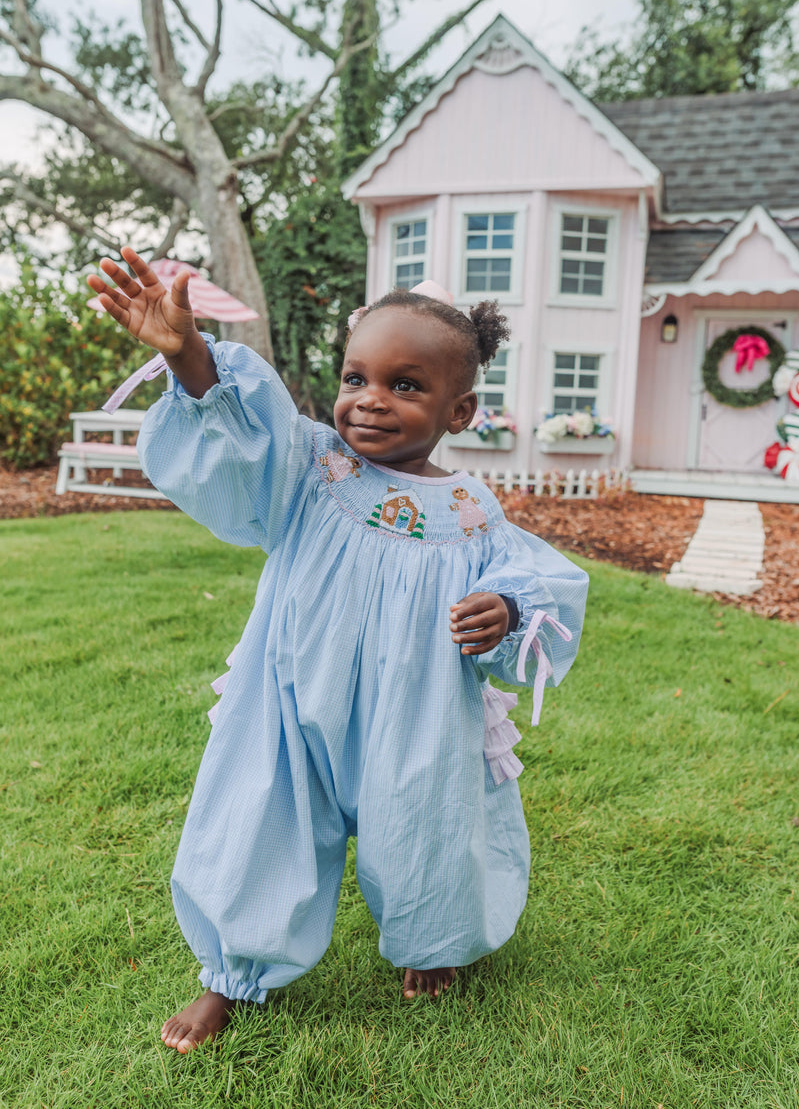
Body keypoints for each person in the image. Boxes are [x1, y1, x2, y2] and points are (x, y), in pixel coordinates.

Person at [87, 247, 588, 1052]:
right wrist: (185, 353)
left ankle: (430, 943)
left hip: (416, 706)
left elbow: (533, 589)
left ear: (460, 412)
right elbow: (239, 439)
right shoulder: (310, 468)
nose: (371, 402)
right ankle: (234, 973)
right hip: (287, 692)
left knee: (428, 820)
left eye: (407, 385)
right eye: (358, 379)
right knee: (257, 815)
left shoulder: (469, 512)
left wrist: (503, 609)